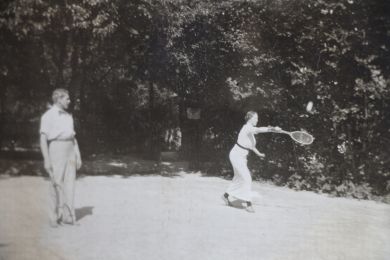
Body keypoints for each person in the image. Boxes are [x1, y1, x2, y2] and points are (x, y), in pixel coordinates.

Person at [222, 111, 281, 213]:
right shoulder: (247, 127)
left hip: (241, 156)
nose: (257, 120)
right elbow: (259, 129)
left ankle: (225, 196)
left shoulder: (250, 131)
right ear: (250, 118)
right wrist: (272, 129)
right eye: (256, 118)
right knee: (247, 178)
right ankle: (248, 204)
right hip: (236, 155)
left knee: (238, 178)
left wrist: (259, 153)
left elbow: (251, 146)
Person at [39, 88, 82, 227]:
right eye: (67, 99)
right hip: (56, 148)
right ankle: (53, 217)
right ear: (58, 99)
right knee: (55, 183)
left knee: (70, 183)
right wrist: (46, 159)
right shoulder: (48, 116)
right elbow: (43, 139)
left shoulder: (68, 116)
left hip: (70, 149)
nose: (69, 101)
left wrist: (78, 155)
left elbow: (73, 137)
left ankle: (68, 216)